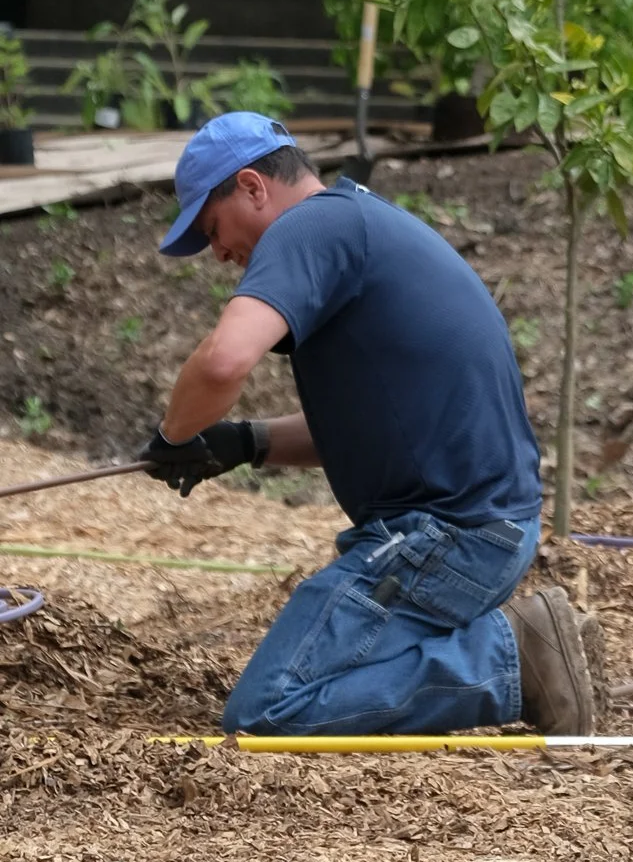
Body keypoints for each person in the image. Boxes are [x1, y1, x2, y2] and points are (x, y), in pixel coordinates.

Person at [141, 110, 597, 737]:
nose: (218, 253)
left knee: (266, 712)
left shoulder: (311, 227)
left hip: (446, 539)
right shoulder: (359, 221)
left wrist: (173, 436)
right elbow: (377, 424)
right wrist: (247, 442)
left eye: (211, 229)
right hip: (484, 532)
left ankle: (510, 657)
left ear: (252, 187)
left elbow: (223, 362)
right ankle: (503, 651)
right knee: (311, 684)